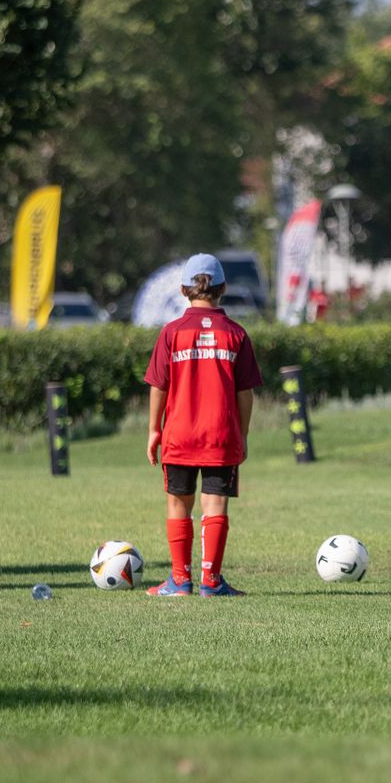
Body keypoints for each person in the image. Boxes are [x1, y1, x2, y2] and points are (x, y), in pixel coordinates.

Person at [143, 253, 263, 597]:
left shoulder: (172, 332)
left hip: (179, 433)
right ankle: (211, 581)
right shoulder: (236, 334)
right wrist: (241, 432)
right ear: (223, 288)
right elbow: (245, 393)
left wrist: (154, 429)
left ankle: (180, 581)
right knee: (215, 505)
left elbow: (158, 386)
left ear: (184, 289)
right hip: (220, 435)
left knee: (179, 503)